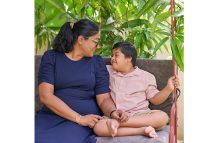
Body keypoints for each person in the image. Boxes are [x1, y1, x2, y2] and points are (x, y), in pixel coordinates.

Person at [35, 19, 128, 143]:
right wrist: (78, 118)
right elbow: (45, 96)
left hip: (85, 119)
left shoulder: (96, 62)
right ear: (80, 40)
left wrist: (112, 112)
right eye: (96, 42)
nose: (98, 46)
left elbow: (104, 98)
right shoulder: (51, 57)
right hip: (52, 117)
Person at [93, 42, 180, 138]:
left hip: (140, 115)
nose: (112, 58)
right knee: (98, 127)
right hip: (115, 114)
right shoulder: (107, 71)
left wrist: (168, 88)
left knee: (163, 117)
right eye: (112, 55)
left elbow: (155, 99)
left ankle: (117, 124)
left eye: (116, 55)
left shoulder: (146, 76)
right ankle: (141, 130)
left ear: (129, 58)